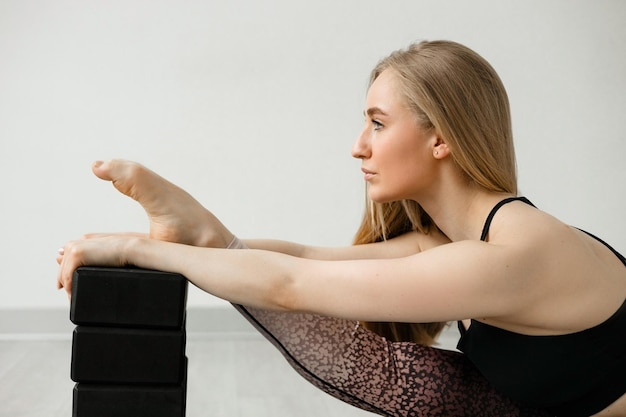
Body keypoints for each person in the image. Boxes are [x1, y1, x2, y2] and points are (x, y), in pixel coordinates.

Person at [56, 40, 626, 416]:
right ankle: (198, 231)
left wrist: (136, 250)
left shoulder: (512, 254)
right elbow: (307, 259)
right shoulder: (451, 242)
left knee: (409, 380)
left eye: (378, 124)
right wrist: (206, 237)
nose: (358, 147)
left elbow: (289, 286)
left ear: (441, 138)